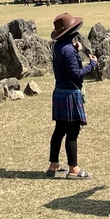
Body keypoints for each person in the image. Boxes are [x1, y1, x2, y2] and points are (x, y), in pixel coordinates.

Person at [47, 13, 97, 180]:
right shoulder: (68, 50)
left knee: (59, 130)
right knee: (73, 132)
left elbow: (65, 60)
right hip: (70, 94)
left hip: (59, 91)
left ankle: (53, 165)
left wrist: (74, 50)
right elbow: (76, 75)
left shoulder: (59, 47)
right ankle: (73, 169)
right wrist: (92, 65)